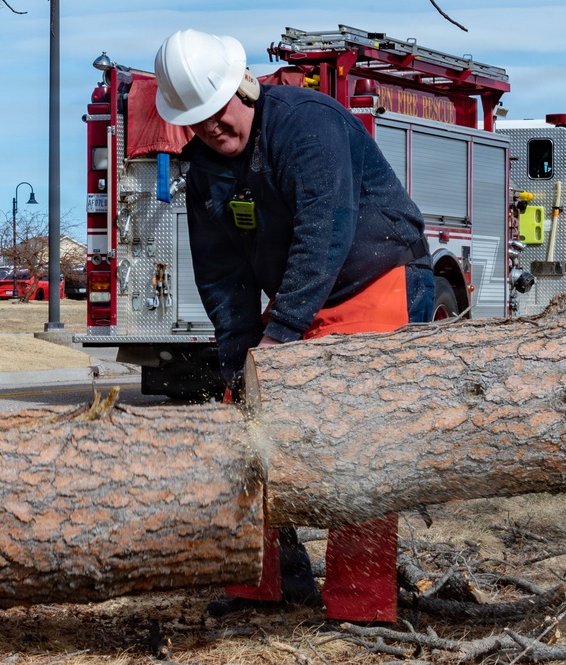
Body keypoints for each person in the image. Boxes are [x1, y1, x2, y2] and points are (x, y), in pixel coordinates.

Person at [154, 29, 435, 625]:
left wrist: (279, 337)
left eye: (216, 112)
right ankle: (262, 583)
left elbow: (324, 232)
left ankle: (360, 606)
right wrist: (239, 358)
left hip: (373, 280)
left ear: (243, 88)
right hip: (302, 295)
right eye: (196, 120)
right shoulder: (205, 170)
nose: (210, 129)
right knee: (241, 420)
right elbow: (221, 268)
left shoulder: (306, 124)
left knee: (359, 441)